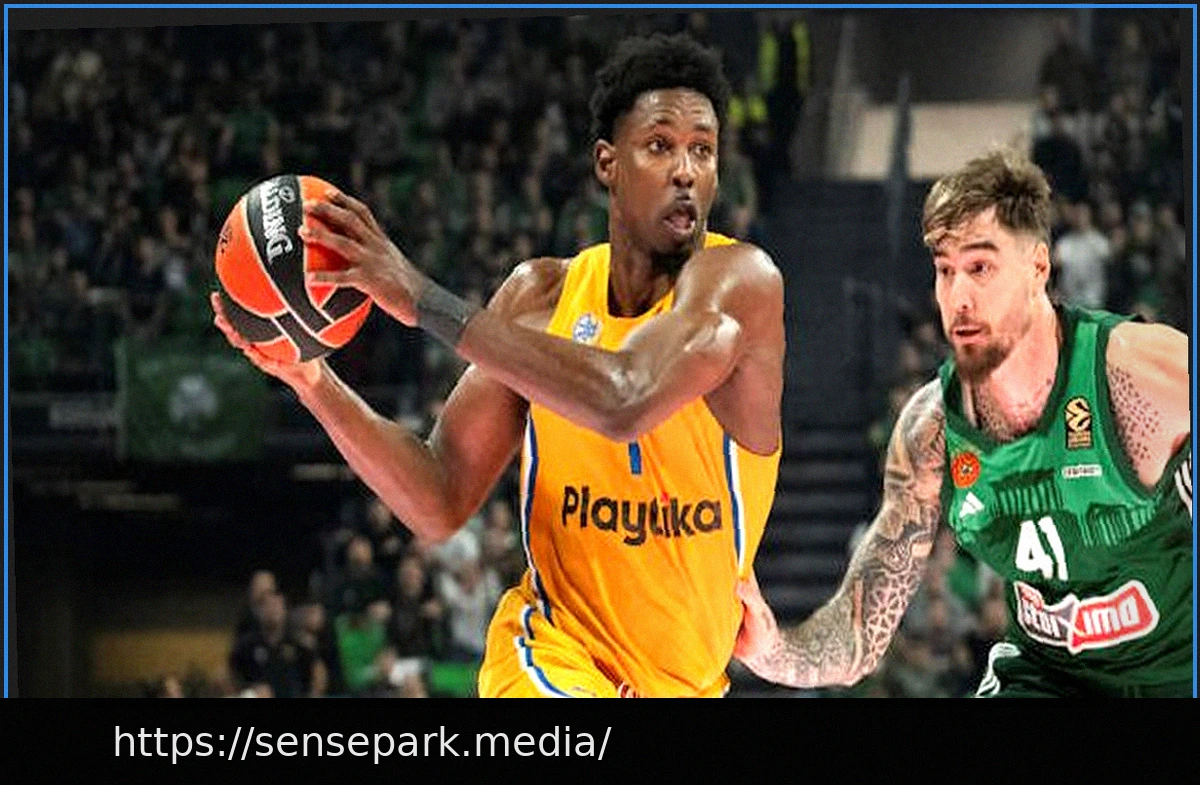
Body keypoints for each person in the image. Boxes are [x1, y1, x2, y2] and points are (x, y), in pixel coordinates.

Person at [212, 32, 784, 697]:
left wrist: (420, 297)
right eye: (659, 146)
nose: (685, 170)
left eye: (703, 150)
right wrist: (312, 380)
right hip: (549, 658)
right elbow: (438, 497)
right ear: (608, 163)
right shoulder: (539, 299)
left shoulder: (742, 283)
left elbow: (625, 396)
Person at [734, 149, 1190, 698]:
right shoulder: (931, 433)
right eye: (945, 271)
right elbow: (858, 639)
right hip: (1046, 678)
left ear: (1038, 269)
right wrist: (772, 651)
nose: (959, 297)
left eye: (980, 268)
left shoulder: (1140, 379)